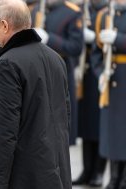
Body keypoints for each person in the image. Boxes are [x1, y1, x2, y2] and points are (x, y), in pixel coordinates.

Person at [0, 0, 72, 188]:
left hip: (23, 176)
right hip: (55, 171)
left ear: (5, 25)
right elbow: (64, 118)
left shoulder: (7, 64)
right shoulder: (55, 58)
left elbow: (4, 133)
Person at [31, 0, 84, 145]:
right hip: (36, 71)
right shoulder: (35, 9)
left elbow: (76, 47)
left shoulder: (72, 12)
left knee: (58, 131)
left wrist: (49, 39)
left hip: (60, 73)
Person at [91, 0, 126, 187]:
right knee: (113, 133)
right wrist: (100, 74)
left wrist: (118, 39)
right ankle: (113, 177)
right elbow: (96, 53)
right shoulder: (104, 16)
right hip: (111, 83)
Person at [72, 0, 107, 186]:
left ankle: (99, 171)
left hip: (99, 75)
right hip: (84, 75)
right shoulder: (82, 10)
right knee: (86, 125)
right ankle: (87, 170)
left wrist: (94, 38)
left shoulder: (106, 12)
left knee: (99, 126)